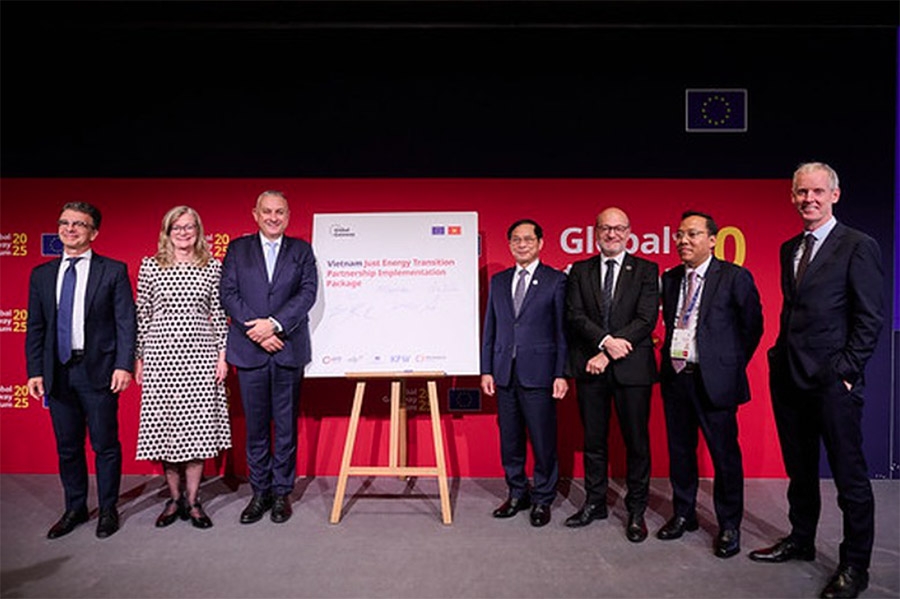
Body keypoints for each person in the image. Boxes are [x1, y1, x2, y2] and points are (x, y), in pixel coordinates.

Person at [750, 163, 884, 599]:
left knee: (850, 477)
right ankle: (801, 539)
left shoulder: (858, 245)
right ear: (792, 197)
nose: (809, 198)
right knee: (800, 470)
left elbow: (869, 318)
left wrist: (846, 371)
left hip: (832, 382)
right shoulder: (790, 246)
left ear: (835, 195)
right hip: (789, 378)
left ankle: (854, 566)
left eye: (817, 192)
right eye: (801, 192)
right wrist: (777, 357)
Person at [25, 202, 136, 539]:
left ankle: (107, 509)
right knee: (68, 446)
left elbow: (125, 323)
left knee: (105, 444)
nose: (69, 229)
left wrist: (123, 365)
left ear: (94, 232)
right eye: (64, 223)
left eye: (79, 224)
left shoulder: (113, 271)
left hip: (99, 371)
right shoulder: (41, 274)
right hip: (58, 372)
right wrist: (34, 371)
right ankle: (74, 508)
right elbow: (36, 327)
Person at [656, 210, 763, 558]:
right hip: (676, 379)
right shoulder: (670, 278)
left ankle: (729, 525)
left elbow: (752, 328)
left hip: (715, 382)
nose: (683, 241)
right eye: (679, 235)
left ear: (713, 239)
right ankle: (683, 514)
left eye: (692, 234)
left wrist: (726, 365)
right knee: (681, 453)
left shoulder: (734, 277)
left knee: (724, 457)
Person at [220, 190, 318, 525]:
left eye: (279, 212)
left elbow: (307, 292)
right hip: (249, 351)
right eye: (267, 211)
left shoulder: (302, 251)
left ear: (288, 216)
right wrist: (257, 330)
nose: (273, 217)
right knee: (257, 428)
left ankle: (281, 494)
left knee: (286, 428)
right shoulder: (237, 249)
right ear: (255, 214)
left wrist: (274, 326)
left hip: (288, 348)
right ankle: (259, 493)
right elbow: (228, 294)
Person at [564, 207, 659, 542]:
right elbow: (574, 315)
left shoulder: (647, 270)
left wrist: (608, 352)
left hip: (632, 369)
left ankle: (636, 510)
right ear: (595, 232)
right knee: (594, 441)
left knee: (637, 443)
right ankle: (595, 502)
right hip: (591, 368)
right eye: (605, 228)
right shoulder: (579, 270)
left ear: (629, 232)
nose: (612, 234)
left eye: (619, 228)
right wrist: (604, 344)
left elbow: (646, 319)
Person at [134, 206, 231, 529]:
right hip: (161, 354)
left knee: (196, 429)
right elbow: (142, 314)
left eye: (189, 227)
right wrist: (139, 358)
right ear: (167, 231)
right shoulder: (151, 266)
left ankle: (193, 501)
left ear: (198, 231)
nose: (184, 233)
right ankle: (173, 499)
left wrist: (221, 356)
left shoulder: (211, 267)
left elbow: (219, 315)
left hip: (199, 355)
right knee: (166, 428)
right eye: (177, 227)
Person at [481, 218, 568, 527]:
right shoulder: (500, 281)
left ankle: (543, 497)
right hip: (504, 372)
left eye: (528, 239)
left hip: (540, 374)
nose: (522, 244)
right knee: (510, 439)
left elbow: (562, 332)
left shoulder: (555, 280)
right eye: (516, 239)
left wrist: (560, 373)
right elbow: (490, 327)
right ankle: (517, 492)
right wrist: (486, 369)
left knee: (543, 440)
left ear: (540, 243)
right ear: (510, 244)